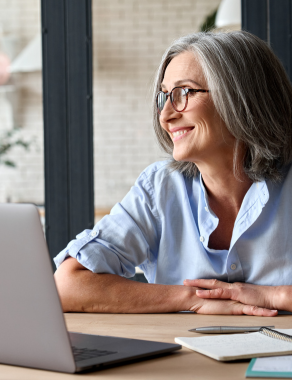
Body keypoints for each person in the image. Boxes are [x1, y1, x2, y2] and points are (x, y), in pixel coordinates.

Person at [54, 30, 292, 316]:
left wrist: (273, 295)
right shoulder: (160, 187)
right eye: (163, 97)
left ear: (242, 97)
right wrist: (192, 298)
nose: (166, 115)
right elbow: (68, 284)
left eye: (184, 93)